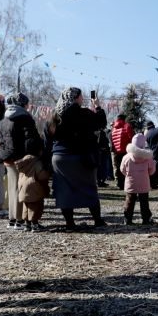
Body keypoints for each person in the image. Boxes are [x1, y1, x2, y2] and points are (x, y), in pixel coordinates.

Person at [45, 87, 107, 230]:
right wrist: (97, 106)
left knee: (64, 190)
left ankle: (70, 223)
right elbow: (101, 122)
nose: (82, 99)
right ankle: (97, 220)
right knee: (89, 188)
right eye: (80, 96)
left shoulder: (53, 117)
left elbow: (47, 140)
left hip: (60, 158)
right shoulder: (84, 113)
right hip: (81, 156)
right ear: (76, 98)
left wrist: (47, 160)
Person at [0, 92, 42, 230]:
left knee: (11, 189)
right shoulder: (25, 118)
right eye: (27, 103)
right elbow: (30, 139)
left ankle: (12, 219)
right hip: (21, 159)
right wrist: (34, 153)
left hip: (7, 158)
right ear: (23, 104)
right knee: (21, 188)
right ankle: (19, 220)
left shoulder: (4, 119)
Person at [120, 133, 156, 225]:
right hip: (144, 183)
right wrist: (146, 174)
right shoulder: (148, 158)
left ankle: (127, 219)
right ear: (144, 144)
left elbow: (122, 170)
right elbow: (152, 171)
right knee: (144, 202)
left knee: (129, 201)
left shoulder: (126, 157)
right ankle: (146, 219)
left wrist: (128, 175)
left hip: (130, 183)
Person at [15, 152, 50, 232]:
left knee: (26, 206)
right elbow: (42, 175)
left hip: (23, 187)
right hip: (34, 186)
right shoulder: (36, 161)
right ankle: (35, 224)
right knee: (35, 207)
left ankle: (27, 224)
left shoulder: (23, 161)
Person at [111, 114, 134, 189]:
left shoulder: (113, 128)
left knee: (118, 167)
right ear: (124, 119)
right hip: (125, 150)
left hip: (116, 151)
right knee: (126, 167)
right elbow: (132, 138)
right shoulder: (127, 126)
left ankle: (119, 183)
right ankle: (126, 183)